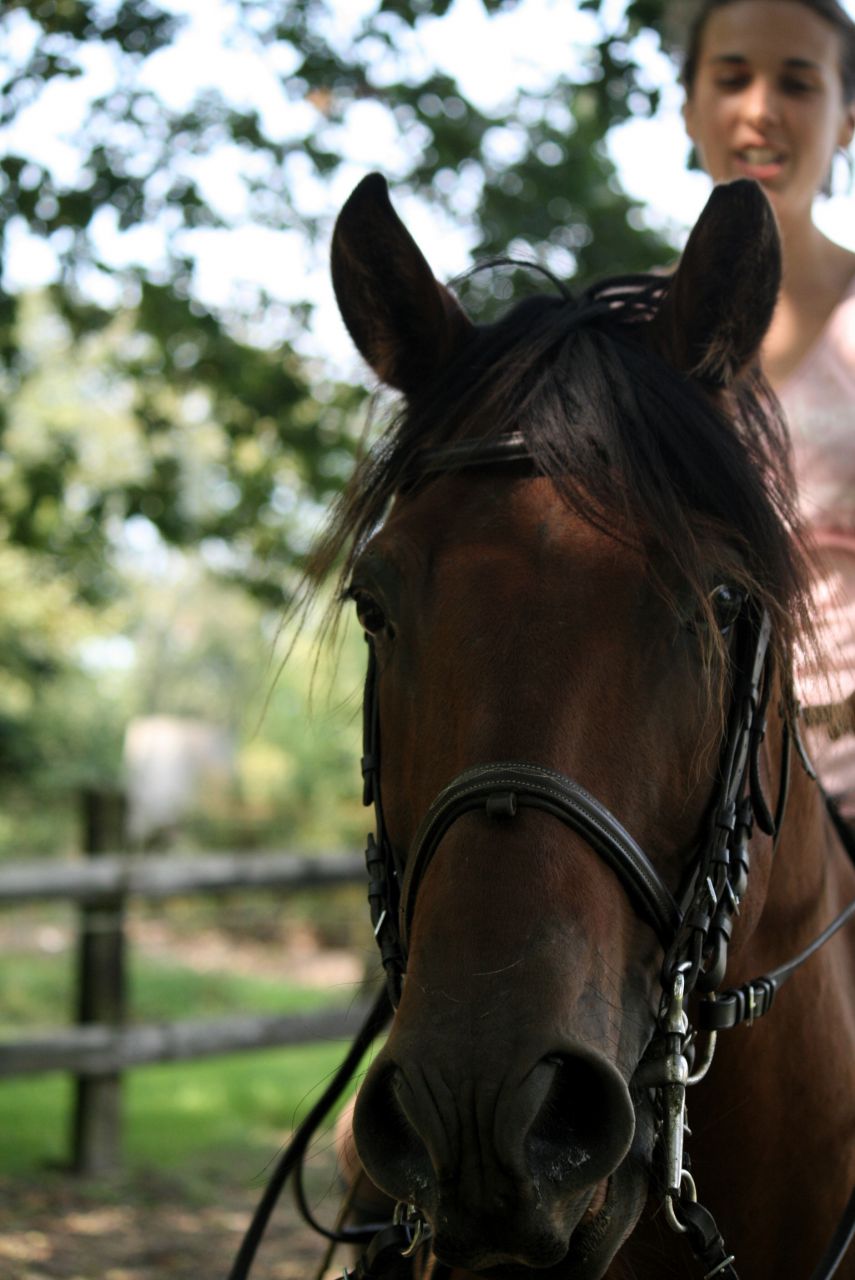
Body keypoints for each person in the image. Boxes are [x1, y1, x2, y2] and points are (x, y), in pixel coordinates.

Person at [681, 0, 855, 812]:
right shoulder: (622, 342)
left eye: (796, 82)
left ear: (846, 118)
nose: (759, 109)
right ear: (689, 109)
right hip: (689, 814)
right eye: (730, 79)